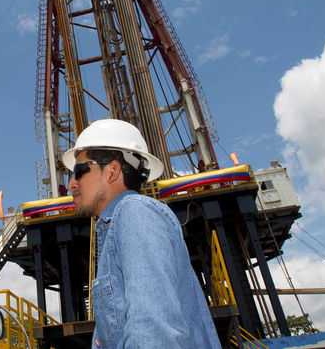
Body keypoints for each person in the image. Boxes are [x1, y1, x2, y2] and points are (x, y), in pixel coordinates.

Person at [63, 118, 220, 349]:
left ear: (112, 171)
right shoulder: (116, 226)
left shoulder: (134, 212)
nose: (71, 184)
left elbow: (154, 331)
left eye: (79, 171)